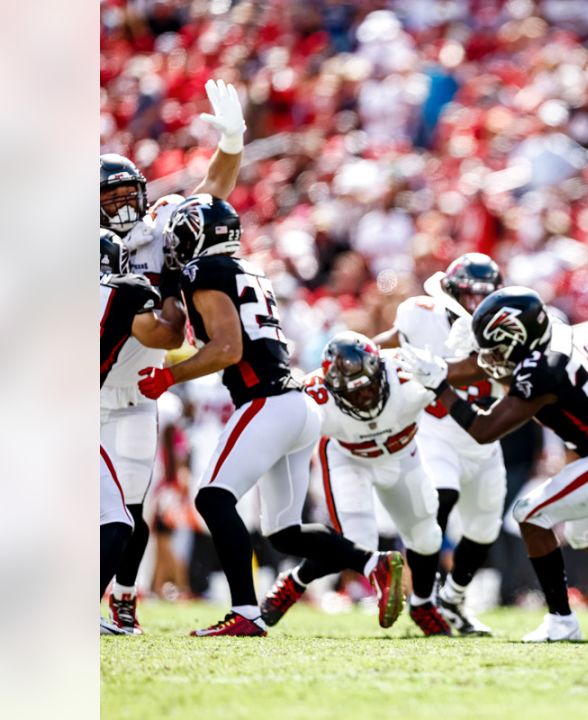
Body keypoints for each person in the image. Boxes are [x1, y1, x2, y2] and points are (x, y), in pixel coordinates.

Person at [135, 195, 403, 637]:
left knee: (213, 500)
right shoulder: (249, 270)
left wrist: (169, 376)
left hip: (266, 401)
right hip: (296, 406)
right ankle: (375, 564)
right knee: (284, 532)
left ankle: (245, 612)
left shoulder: (205, 271)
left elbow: (227, 348)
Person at [407, 287, 588, 642]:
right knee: (584, 534)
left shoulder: (542, 368)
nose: (493, 357)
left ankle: (562, 620)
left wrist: (441, 386)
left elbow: (485, 429)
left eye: (498, 348)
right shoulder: (552, 334)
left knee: (529, 514)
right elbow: (501, 372)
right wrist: (450, 367)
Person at [99, 79, 246, 634]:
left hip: (138, 388)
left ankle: (124, 597)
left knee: (133, 502)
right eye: (106, 200)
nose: (119, 208)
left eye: (124, 195)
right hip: (83, 390)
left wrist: (231, 141)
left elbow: (213, 191)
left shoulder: (158, 230)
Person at [257, 333, 453, 636]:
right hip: (348, 459)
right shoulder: (314, 393)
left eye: (369, 386)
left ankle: (424, 603)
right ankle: (295, 581)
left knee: (427, 535)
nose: (365, 398)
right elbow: (280, 428)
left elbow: (447, 406)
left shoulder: (409, 374)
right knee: (356, 543)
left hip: (402, 457)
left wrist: (441, 380)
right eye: (353, 393)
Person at [372, 253, 506, 636]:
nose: (478, 304)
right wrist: (364, 351)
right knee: (440, 497)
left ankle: (454, 600)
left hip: (482, 433)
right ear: (451, 291)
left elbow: (479, 365)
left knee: (484, 531)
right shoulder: (421, 313)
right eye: (471, 295)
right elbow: (397, 341)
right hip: (435, 429)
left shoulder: (503, 323)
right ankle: (424, 599)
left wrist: (439, 369)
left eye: (485, 295)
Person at [99, 231, 185, 634]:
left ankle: (124, 597)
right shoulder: (127, 289)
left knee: (128, 508)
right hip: (97, 396)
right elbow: (170, 333)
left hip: (131, 397)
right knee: (116, 515)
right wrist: (171, 282)